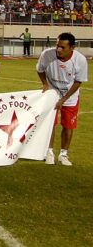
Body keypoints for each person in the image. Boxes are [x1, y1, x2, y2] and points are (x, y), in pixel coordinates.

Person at [37, 33, 88, 166]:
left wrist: (63, 99)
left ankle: (63, 154)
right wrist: (45, 84)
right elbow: (40, 69)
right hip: (52, 94)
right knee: (50, 124)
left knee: (68, 126)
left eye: (63, 47)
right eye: (57, 46)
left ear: (72, 48)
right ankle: (49, 152)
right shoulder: (47, 55)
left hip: (70, 96)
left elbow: (78, 82)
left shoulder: (80, 60)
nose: (58, 50)